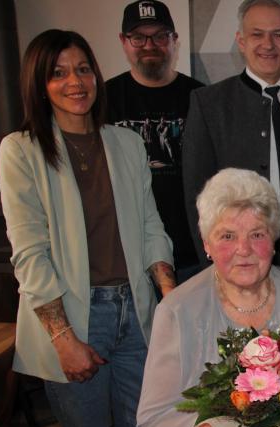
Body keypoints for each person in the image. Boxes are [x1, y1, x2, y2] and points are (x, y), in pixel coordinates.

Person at [0, 29, 175, 427]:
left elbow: (151, 226)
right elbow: (29, 254)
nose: (75, 82)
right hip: (75, 315)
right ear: (39, 86)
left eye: (83, 70)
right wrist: (63, 339)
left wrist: (170, 299)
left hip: (136, 309)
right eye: (58, 74)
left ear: (96, 75)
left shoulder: (127, 143)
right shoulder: (20, 150)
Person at [137, 168, 280, 427]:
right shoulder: (177, 310)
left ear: (274, 240)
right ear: (206, 243)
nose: (244, 249)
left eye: (257, 234)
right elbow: (154, 417)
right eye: (227, 236)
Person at [183, 0, 280, 280]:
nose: (268, 44)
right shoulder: (208, 104)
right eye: (257, 34)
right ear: (241, 41)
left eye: (278, 34)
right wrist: (213, 270)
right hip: (243, 253)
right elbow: (195, 194)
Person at [106, 0, 205, 284]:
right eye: (138, 37)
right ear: (124, 42)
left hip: (193, 254)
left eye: (160, 36)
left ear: (174, 41)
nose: (150, 45)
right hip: (129, 256)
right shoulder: (104, 100)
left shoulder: (201, 98)